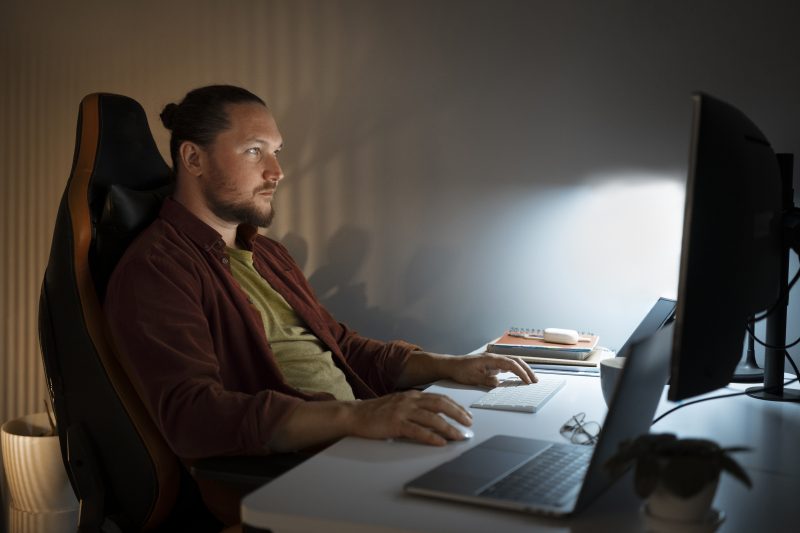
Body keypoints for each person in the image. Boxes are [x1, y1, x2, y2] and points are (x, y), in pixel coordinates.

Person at [104, 84, 535, 520]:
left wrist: (450, 365)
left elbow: (342, 347)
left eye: (276, 151)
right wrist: (354, 418)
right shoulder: (158, 269)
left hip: (357, 446)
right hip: (288, 474)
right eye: (254, 151)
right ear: (193, 159)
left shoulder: (268, 255)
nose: (276, 171)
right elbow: (193, 416)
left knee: (519, 481)